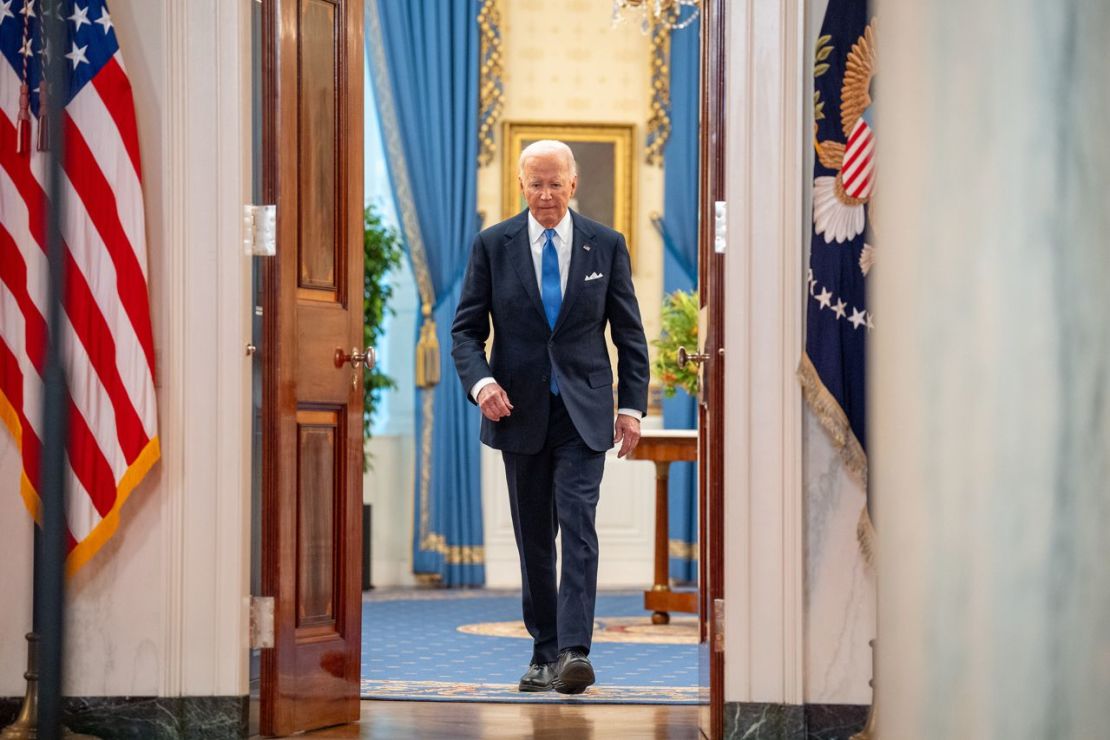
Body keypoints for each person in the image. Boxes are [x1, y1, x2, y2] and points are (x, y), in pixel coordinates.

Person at [452, 140, 649, 694]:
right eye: (535, 183)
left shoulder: (605, 246)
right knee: (535, 536)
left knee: (578, 526)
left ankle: (573, 652)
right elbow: (466, 331)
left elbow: (629, 334)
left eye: (554, 183)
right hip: (520, 411)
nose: (544, 193)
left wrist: (631, 407)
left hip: (585, 413)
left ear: (573, 184)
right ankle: (542, 654)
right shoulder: (493, 245)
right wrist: (482, 383)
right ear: (521, 185)